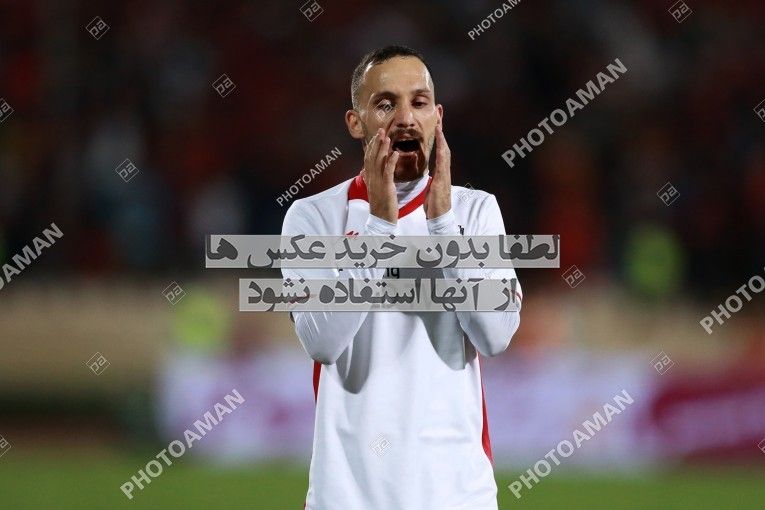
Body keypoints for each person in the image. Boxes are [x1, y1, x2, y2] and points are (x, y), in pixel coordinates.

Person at [281, 45, 522, 510]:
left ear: (437, 117)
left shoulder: (475, 211)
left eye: (419, 102)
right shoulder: (312, 218)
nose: (406, 118)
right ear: (356, 122)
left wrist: (444, 228)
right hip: (346, 497)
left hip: (456, 496)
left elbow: (495, 336)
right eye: (385, 104)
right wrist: (379, 228)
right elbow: (323, 342)